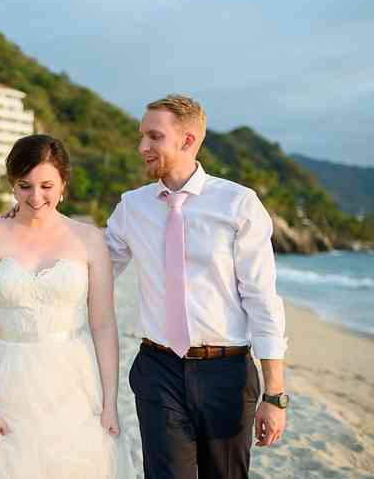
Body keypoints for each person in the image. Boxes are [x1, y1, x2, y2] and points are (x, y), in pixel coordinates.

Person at [106, 94, 288, 479]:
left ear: (188, 141)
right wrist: (31, 227)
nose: (142, 147)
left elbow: (262, 300)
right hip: (158, 370)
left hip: (227, 373)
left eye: (154, 137)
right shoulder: (131, 206)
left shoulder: (238, 204)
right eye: (142, 136)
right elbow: (95, 266)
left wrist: (275, 394)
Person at [0, 134, 134, 478]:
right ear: (13, 185)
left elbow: (103, 325)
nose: (36, 197)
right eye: (25, 186)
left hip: (73, 378)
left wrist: (110, 403)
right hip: (5, 376)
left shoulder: (88, 239)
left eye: (46, 185)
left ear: (63, 185)